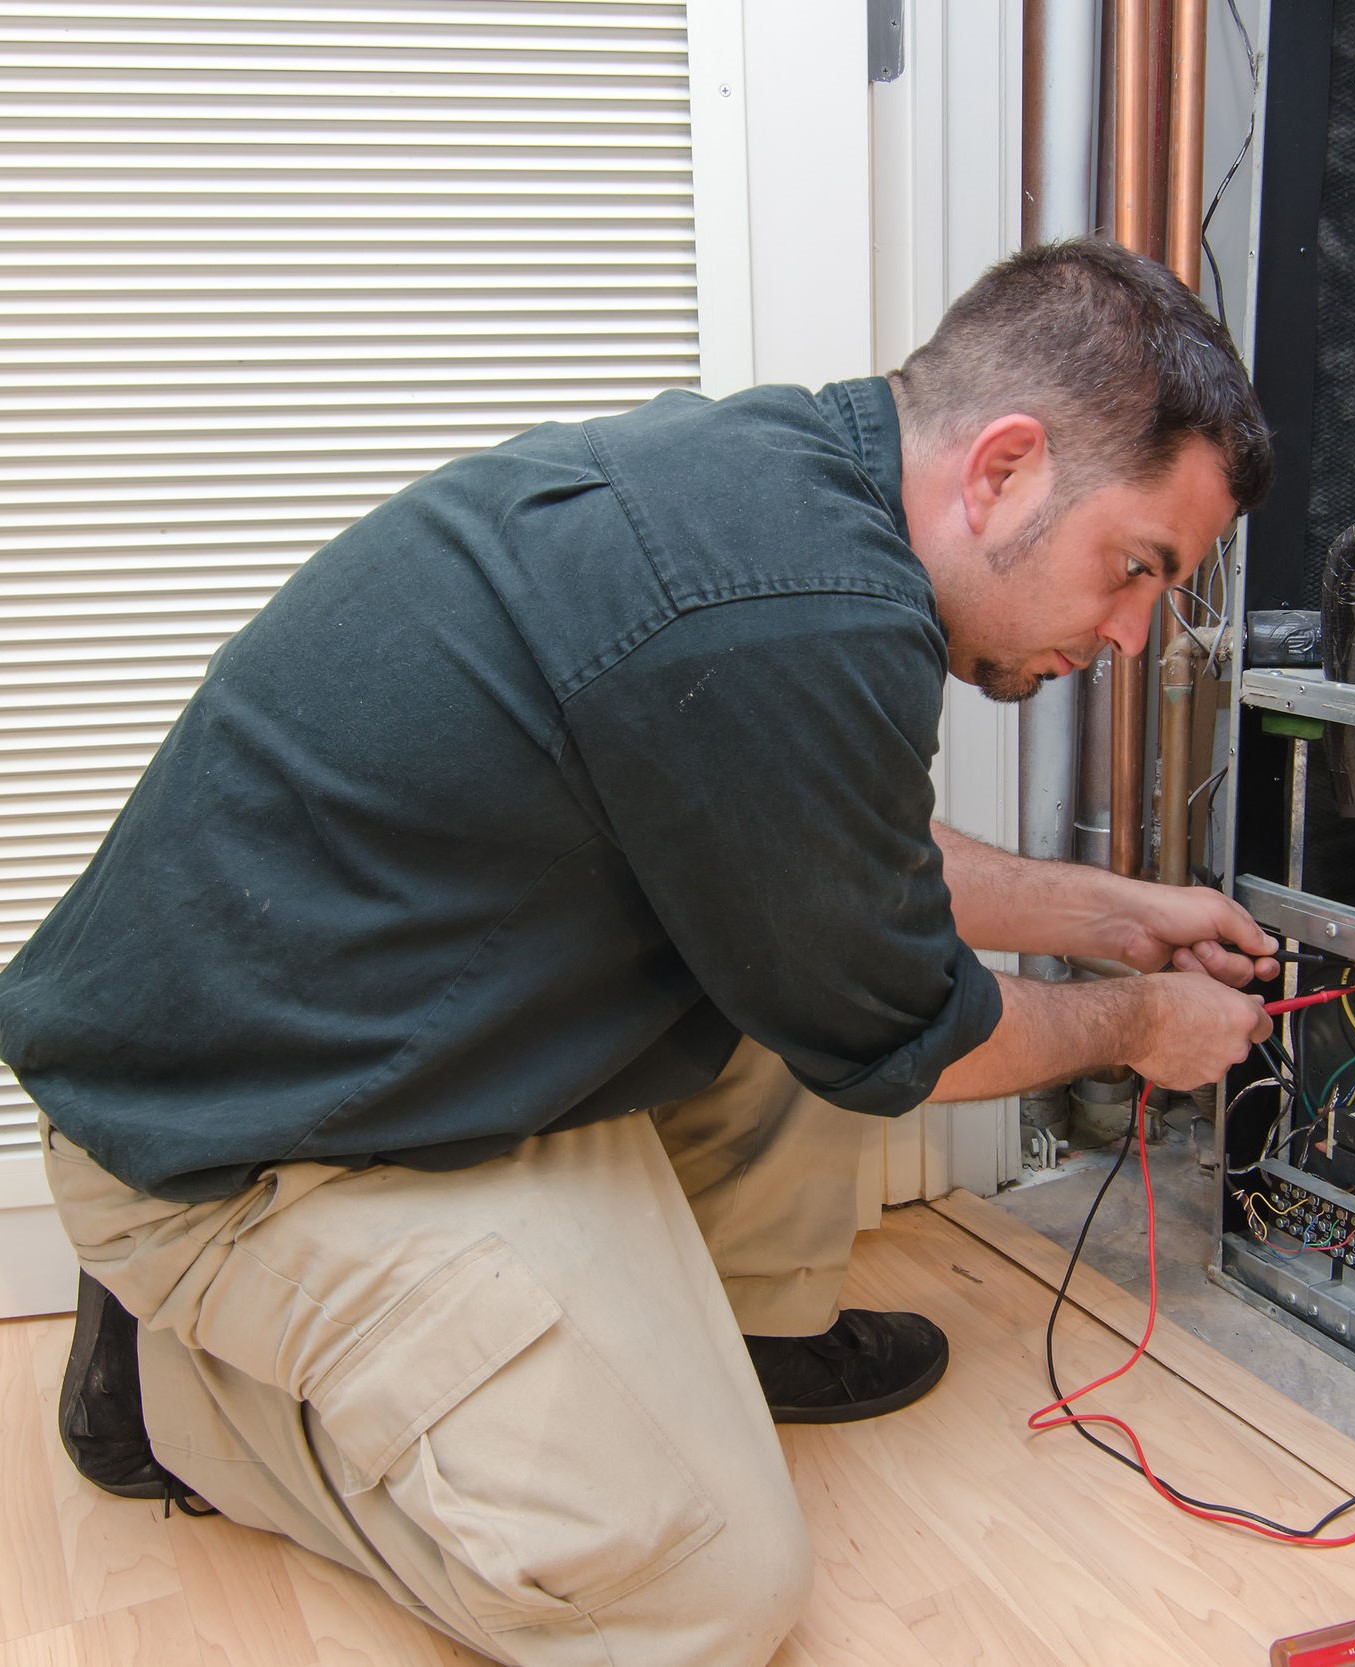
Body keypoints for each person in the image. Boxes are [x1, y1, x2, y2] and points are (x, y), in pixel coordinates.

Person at [0, 237, 1276, 1666]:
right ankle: (175, 1400)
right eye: (1134, 567)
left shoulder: (790, 489)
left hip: (350, 1033)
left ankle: (739, 1334)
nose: (1127, 631)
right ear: (1005, 469)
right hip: (238, 1147)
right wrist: (1138, 1025)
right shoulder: (807, 616)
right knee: (696, 1594)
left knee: (803, 951)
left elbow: (830, 852)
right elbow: (927, 1032)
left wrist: (1114, 917)